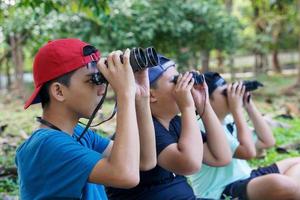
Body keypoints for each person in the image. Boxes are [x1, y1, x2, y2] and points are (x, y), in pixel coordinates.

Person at [15, 38, 156, 200]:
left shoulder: (78, 133)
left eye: (101, 79)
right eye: (92, 80)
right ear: (59, 92)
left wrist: (141, 97)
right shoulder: (47, 145)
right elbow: (126, 175)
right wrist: (125, 94)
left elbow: (145, 160)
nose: (102, 89)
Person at [106, 55, 231, 200]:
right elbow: (189, 164)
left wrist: (203, 104)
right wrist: (188, 107)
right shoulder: (143, 129)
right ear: (151, 95)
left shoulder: (175, 123)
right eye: (175, 81)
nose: (184, 85)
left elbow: (221, 157)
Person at [189, 72, 300, 200]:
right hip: (222, 190)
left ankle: (292, 191)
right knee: (282, 184)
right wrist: (237, 110)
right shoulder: (202, 126)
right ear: (206, 98)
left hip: (248, 177)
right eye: (226, 94)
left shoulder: (227, 119)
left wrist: (248, 104)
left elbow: (267, 141)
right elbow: (248, 152)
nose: (233, 96)